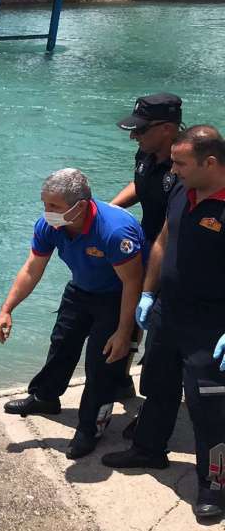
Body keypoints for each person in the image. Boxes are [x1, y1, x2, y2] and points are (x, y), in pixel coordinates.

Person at [101, 126, 225, 520]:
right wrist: (149, 292)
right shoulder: (180, 187)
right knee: (157, 385)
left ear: (210, 162)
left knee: (210, 411)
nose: (172, 169)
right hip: (168, 312)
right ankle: (149, 449)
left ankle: (215, 485)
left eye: (180, 162)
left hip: (212, 324)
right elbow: (163, 239)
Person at [0, 168, 145, 459]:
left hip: (116, 296)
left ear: (81, 205)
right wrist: (6, 309)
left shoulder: (114, 231)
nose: (47, 212)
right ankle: (45, 397)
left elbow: (132, 282)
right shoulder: (49, 225)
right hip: (81, 289)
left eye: (54, 206)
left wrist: (125, 331)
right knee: (61, 343)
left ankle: (91, 427)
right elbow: (32, 268)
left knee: (102, 363)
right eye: (45, 204)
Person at [111, 93, 184, 408]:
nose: (133, 136)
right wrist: (107, 211)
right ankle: (121, 380)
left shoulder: (189, 164)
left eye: (141, 130)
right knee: (128, 314)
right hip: (144, 244)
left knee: (161, 334)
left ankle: (156, 409)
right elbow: (140, 184)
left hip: (175, 257)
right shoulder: (147, 154)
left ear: (167, 129)